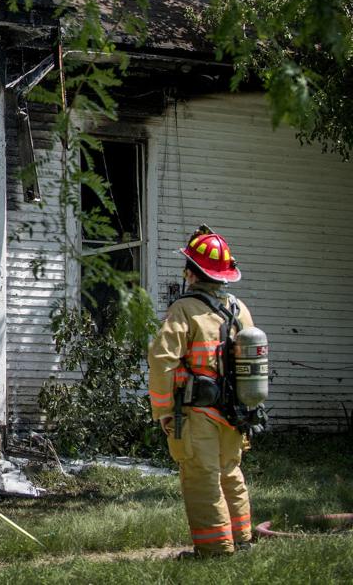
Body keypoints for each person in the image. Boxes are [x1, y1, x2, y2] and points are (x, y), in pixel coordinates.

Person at [148, 225, 259, 559]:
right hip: (235, 413)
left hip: (198, 413)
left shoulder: (184, 310)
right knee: (230, 473)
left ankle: (214, 551)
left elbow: (162, 359)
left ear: (190, 272)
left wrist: (164, 411)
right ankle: (241, 540)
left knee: (201, 478)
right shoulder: (240, 310)